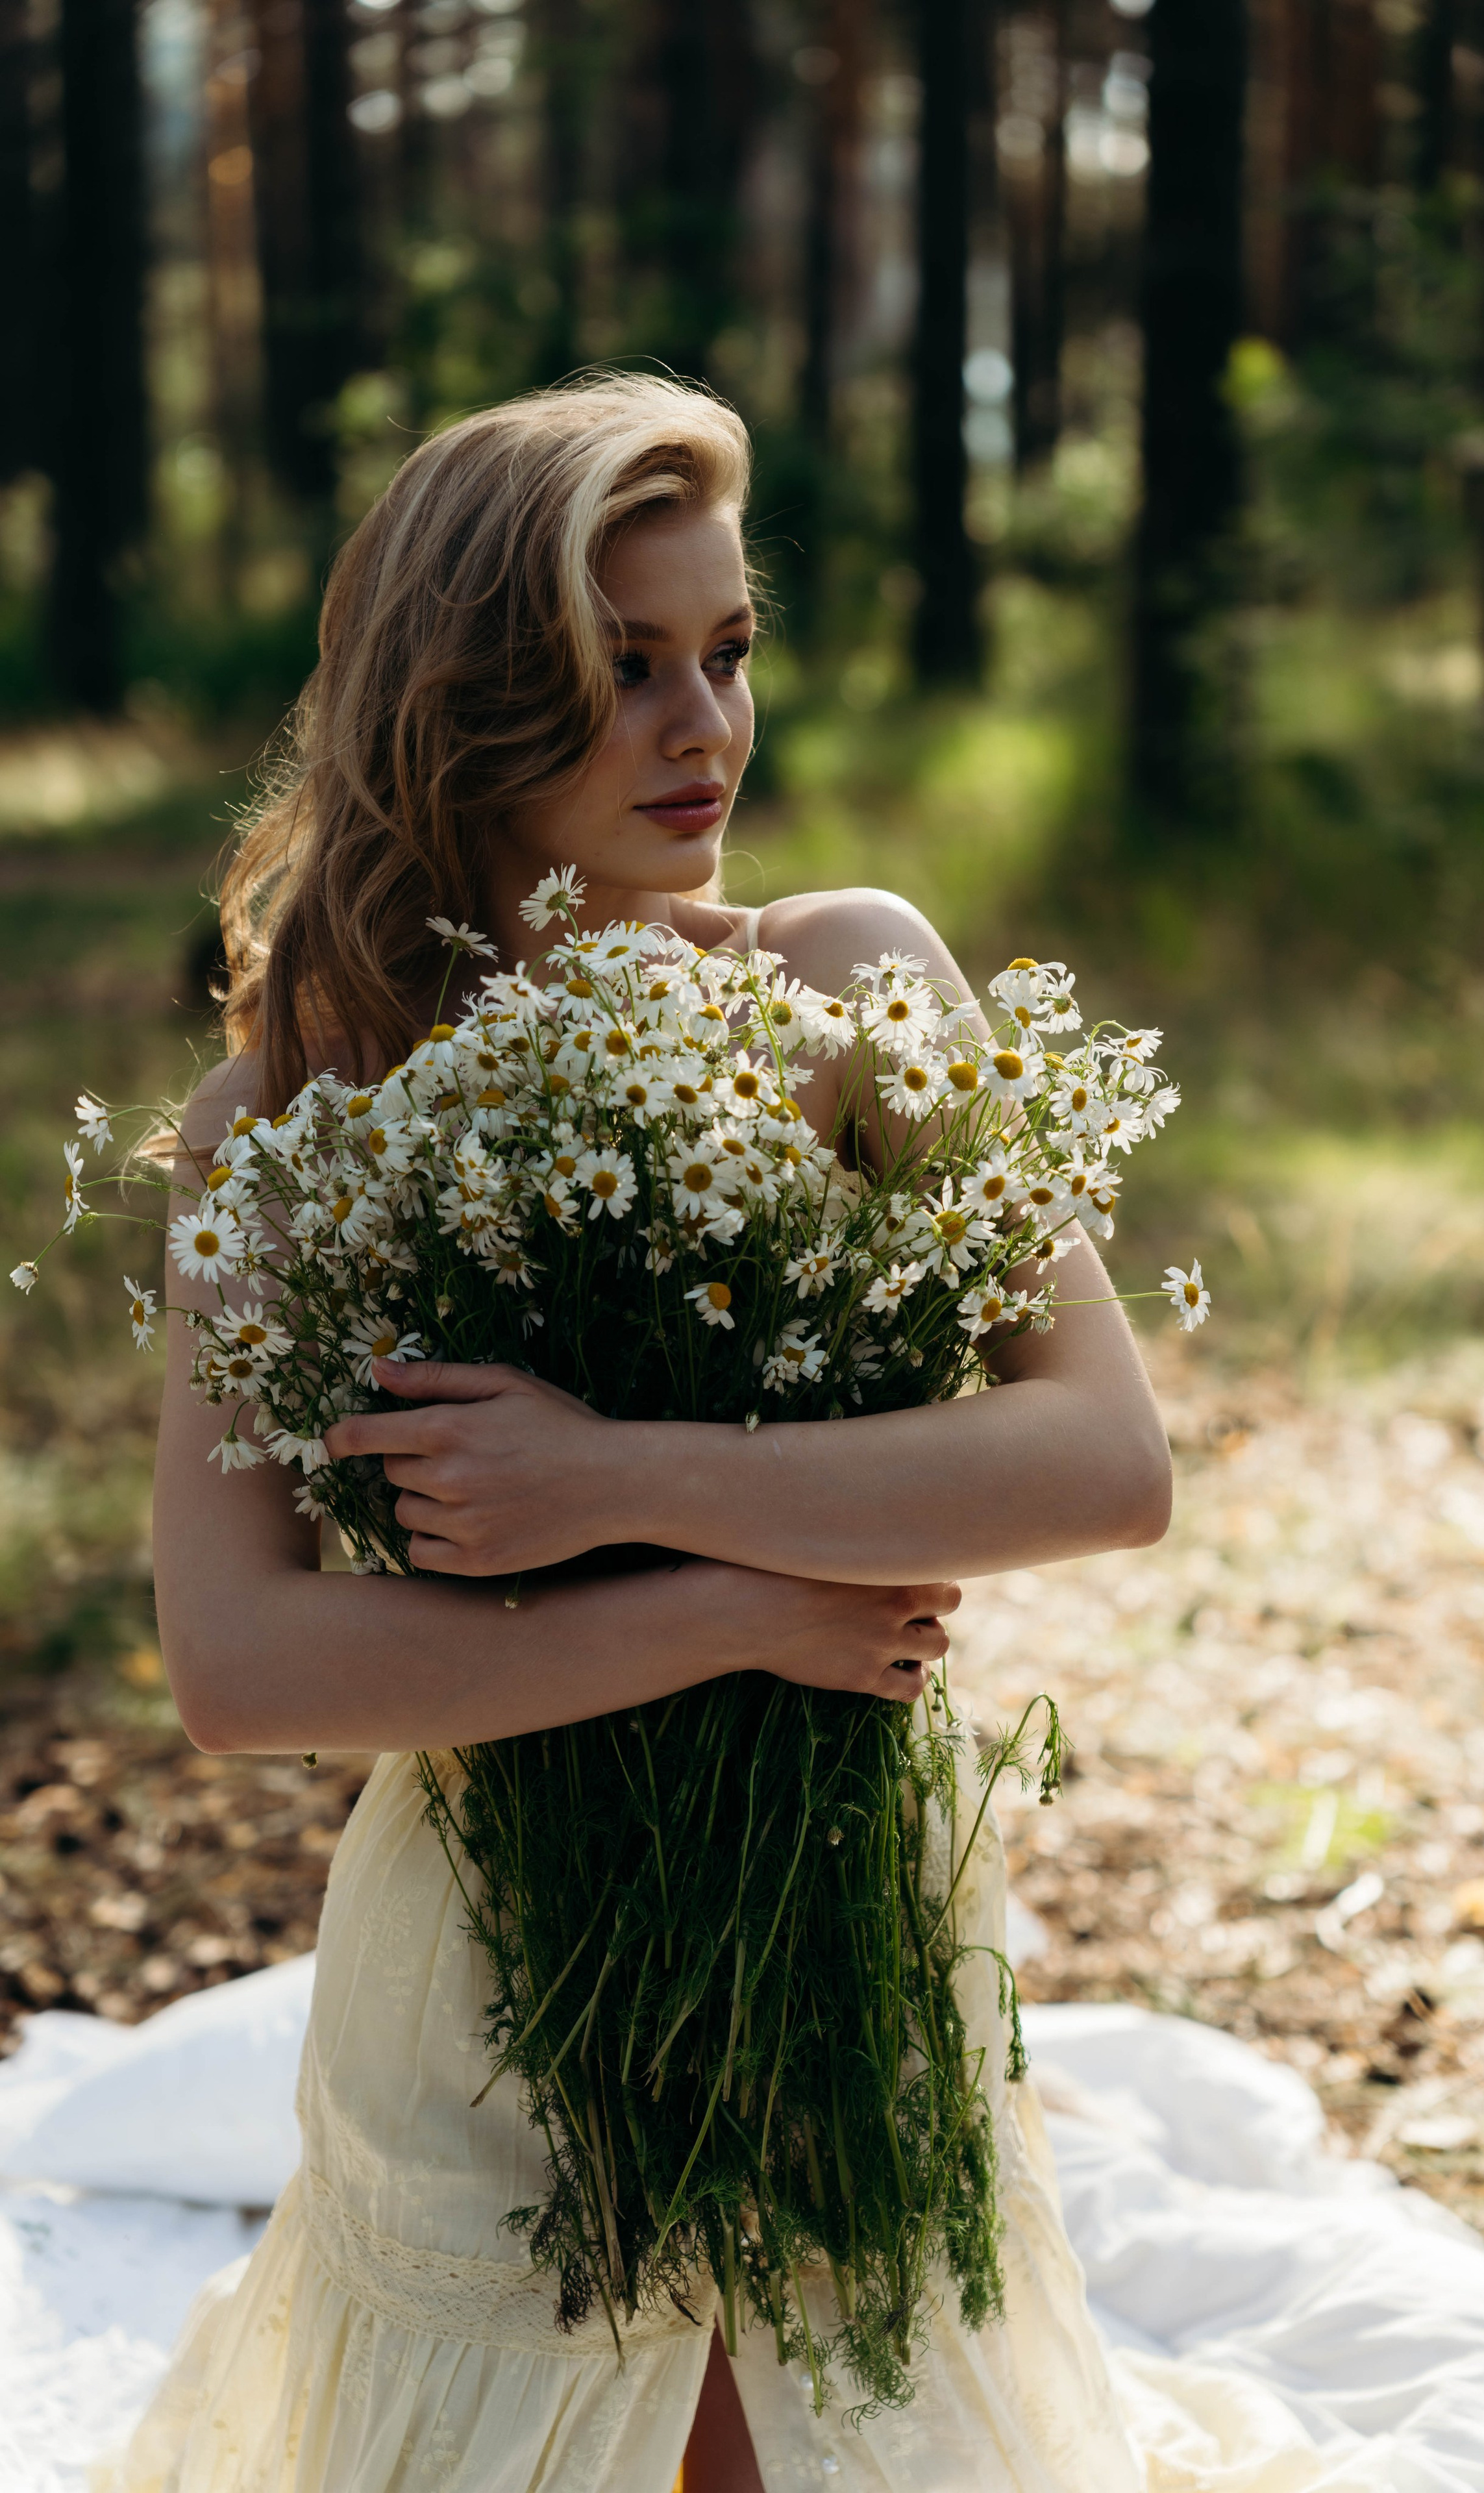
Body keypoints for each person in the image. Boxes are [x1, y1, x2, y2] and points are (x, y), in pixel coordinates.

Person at [105, 375, 1172, 2493]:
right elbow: (240, 1668)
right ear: (469, 701)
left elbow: (1100, 1461)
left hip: (833, 1915)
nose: (707, 732)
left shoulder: (845, 977)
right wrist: (735, 1611)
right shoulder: (288, 1119)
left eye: (729, 655)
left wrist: (610, 1478)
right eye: (625, 671)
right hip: (493, 1948)